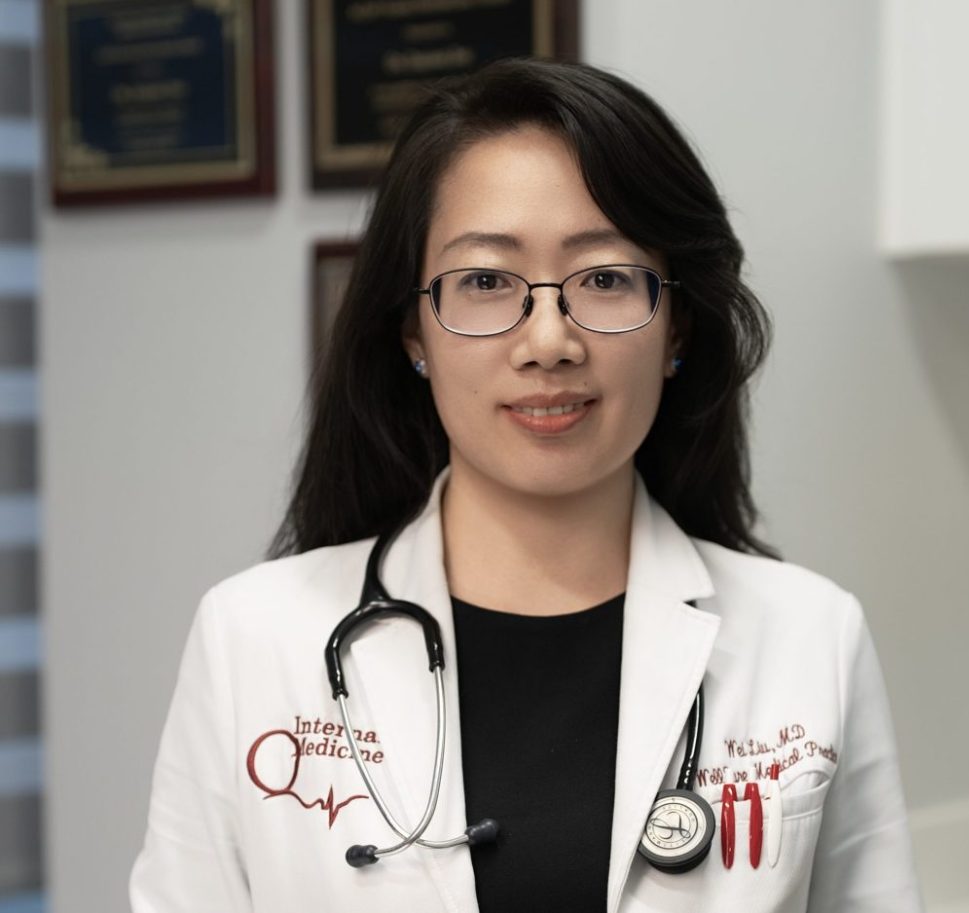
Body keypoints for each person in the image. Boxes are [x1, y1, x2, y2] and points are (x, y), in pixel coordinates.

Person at [130, 58, 923, 913]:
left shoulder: (811, 638)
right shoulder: (252, 639)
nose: (549, 341)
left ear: (677, 328)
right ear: (413, 332)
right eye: (485, 281)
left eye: (606, 279)